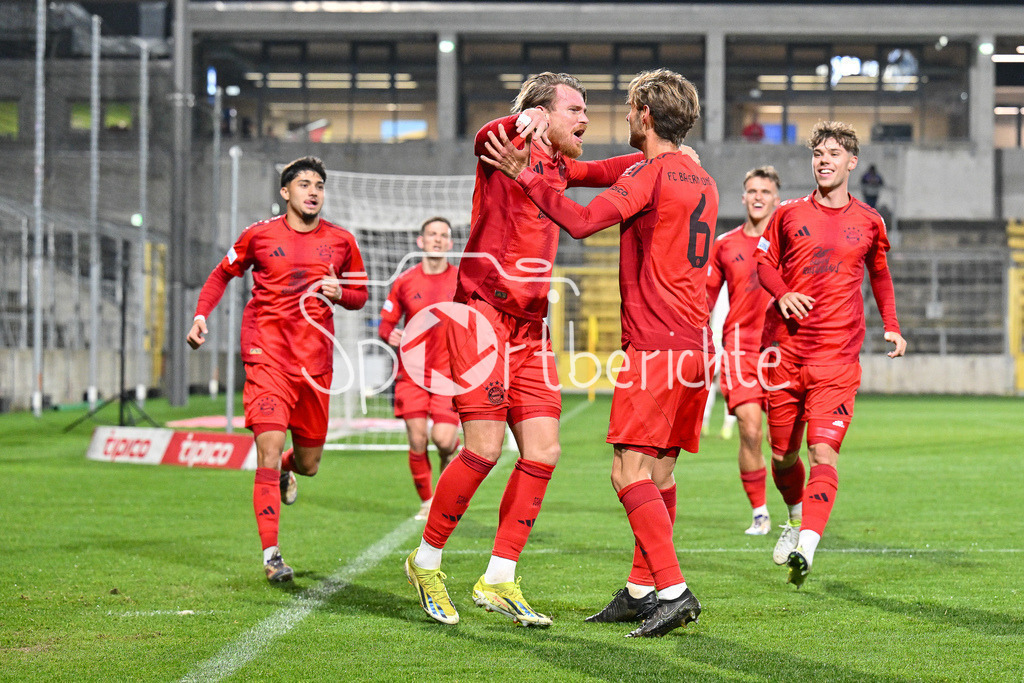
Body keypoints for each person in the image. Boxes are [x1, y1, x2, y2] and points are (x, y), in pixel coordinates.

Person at [403, 72, 645, 628]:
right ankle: (426, 561)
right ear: (543, 113)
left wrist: (661, 158)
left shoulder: (560, 165)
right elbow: (482, 134)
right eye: (575, 109)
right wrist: (518, 122)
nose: (585, 119)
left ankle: (499, 577)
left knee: (543, 451)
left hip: (531, 328)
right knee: (483, 449)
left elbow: (608, 170)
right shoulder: (505, 148)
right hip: (482, 319)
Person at [483, 68, 717, 637]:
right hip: (692, 345)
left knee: (625, 473)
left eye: (632, 107)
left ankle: (673, 588)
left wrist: (527, 177)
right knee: (657, 477)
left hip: (657, 346)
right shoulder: (698, 175)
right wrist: (534, 141)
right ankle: (641, 591)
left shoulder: (653, 173)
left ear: (646, 116)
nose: (624, 116)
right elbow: (581, 171)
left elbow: (583, 221)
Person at [187, 156, 368, 583]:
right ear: (285, 193)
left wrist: (341, 292)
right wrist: (200, 315)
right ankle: (272, 554)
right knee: (265, 450)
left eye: (319, 185)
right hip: (266, 357)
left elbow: (360, 295)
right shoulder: (259, 235)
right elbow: (220, 275)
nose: (313, 191)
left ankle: (290, 467)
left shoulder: (342, 241)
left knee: (309, 463)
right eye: (304, 184)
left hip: (314, 367)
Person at [755, 121, 906, 587]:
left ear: (852, 162)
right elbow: (762, 262)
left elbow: (879, 274)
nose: (825, 160)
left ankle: (807, 546)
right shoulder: (786, 214)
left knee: (824, 453)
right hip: (783, 353)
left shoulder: (869, 221)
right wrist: (781, 294)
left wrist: (894, 327)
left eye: (834, 153)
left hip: (837, 360)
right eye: (818, 153)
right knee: (782, 456)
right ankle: (795, 514)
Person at [707, 166, 805, 537]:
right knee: (749, 430)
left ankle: (795, 509)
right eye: (752, 190)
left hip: (783, 350)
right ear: (744, 197)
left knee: (784, 446)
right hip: (740, 350)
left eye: (765, 191)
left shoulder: (793, 244)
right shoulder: (725, 244)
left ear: (776, 199)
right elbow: (705, 297)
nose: (758, 196)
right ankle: (761, 512)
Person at [378, 216, 461, 521]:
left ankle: (450, 461)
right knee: (416, 439)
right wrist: (390, 333)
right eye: (432, 234)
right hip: (410, 375)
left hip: (448, 376)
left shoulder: (461, 279)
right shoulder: (405, 281)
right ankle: (429, 502)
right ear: (421, 241)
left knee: (442, 440)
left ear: (450, 243)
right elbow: (386, 323)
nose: (437, 239)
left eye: (443, 235)